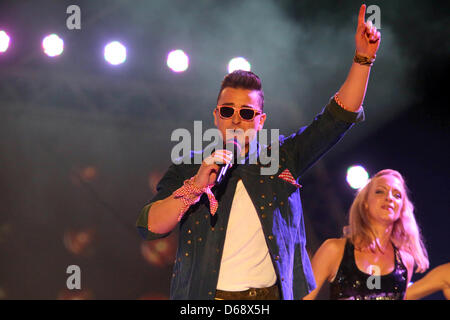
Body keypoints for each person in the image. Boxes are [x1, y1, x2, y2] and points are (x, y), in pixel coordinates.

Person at [136, 4, 381, 300]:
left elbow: (338, 118)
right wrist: (195, 188)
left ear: (261, 121)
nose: (236, 118)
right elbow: (150, 226)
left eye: (247, 112)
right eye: (228, 110)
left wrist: (363, 59)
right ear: (216, 116)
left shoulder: (281, 160)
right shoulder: (190, 168)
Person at [303, 169, 429, 300]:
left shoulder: (405, 261)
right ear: (365, 203)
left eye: (397, 195)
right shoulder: (333, 250)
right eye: (380, 191)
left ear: (402, 207)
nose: (389, 198)